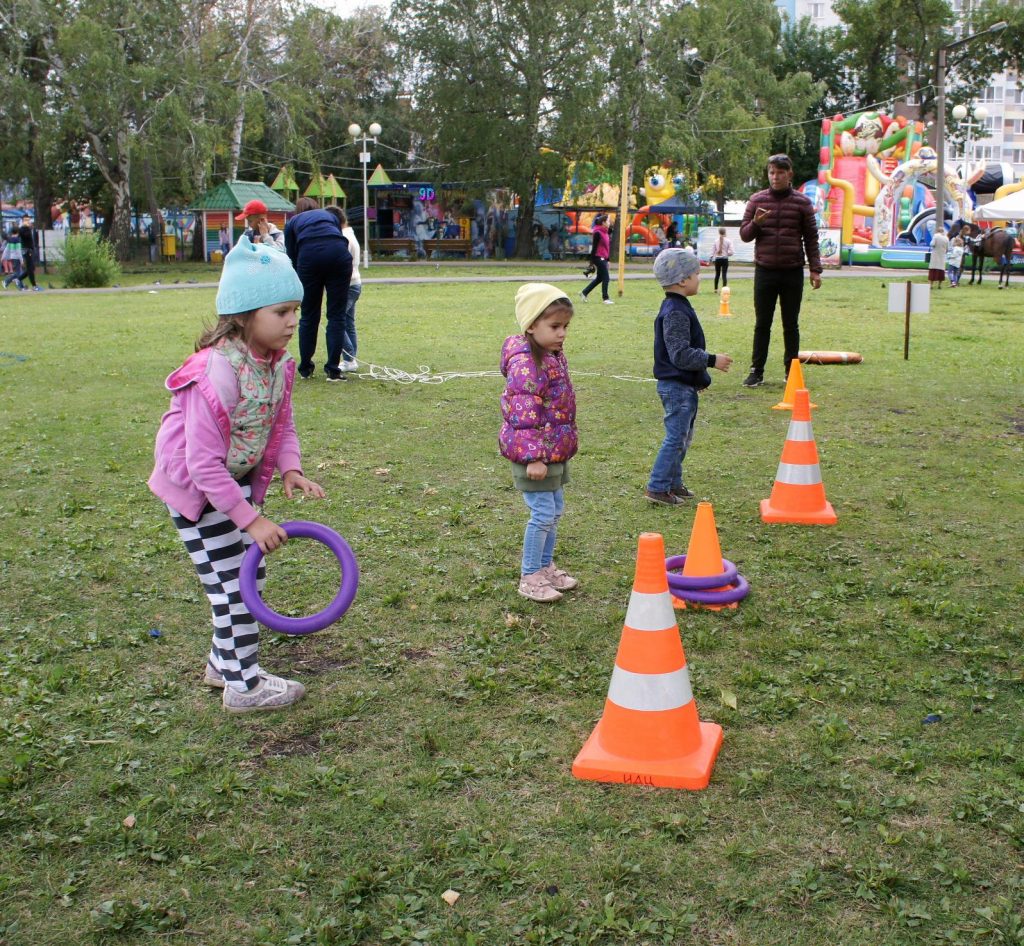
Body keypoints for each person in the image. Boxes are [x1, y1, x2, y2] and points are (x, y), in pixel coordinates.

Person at [147, 237, 326, 713]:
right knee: (236, 589)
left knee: (247, 578)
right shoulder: (216, 373)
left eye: (298, 310)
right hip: (196, 491)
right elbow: (202, 464)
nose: (295, 321)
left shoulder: (276, 365)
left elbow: (280, 422)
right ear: (245, 314)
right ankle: (244, 687)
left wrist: (290, 468)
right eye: (283, 311)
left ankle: (223, 663)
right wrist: (251, 520)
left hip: (230, 483)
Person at [499, 284, 579, 603]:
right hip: (535, 455)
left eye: (565, 327)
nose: (562, 334)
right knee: (543, 513)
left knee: (555, 510)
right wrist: (533, 457)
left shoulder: (553, 355)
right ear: (531, 325)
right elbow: (524, 413)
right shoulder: (525, 363)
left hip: (553, 449)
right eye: (555, 326)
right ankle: (530, 575)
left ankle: (545, 567)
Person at [644, 250, 732, 506]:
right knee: (675, 438)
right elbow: (680, 355)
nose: (699, 279)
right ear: (682, 280)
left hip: (683, 386)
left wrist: (698, 379)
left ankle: (673, 483)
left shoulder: (678, 307)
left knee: (682, 437)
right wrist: (712, 360)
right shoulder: (675, 311)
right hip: (676, 388)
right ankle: (657, 487)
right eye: (696, 274)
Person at [739, 154, 822, 387]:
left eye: (780, 173)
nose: (775, 177)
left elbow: (811, 239)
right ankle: (756, 371)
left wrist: (816, 270)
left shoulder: (802, 203)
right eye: (771, 172)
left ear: (790, 174)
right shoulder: (756, 200)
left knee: (790, 324)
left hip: (792, 272)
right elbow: (744, 236)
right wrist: (756, 223)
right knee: (762, 323)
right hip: (764, 271)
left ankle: (791, 372)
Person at [284, 196, 353, 381]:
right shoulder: (329, 215)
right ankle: (333, 369)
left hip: (309, 259)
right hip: (339, 257)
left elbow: (291, 255)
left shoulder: (292, 222)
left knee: (309, 315)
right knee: (336, 315)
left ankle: (306, 367)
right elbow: (338, 237)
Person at [325, 206, 361, 372]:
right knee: (348, 323)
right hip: (354, 283)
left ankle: (349, 357)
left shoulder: (343, 238)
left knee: (336, 321)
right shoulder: (349, 234)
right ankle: (350, 359)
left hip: (347, 285)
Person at [580, 213, 612, 304]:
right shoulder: (597, 232)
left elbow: (607, 248)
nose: (609, 223)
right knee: (606, 278)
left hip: (604, 258)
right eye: (608, 221)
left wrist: (608, 260)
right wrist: (592, 262)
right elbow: (594, 247)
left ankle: (584, 292)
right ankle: (605, 298)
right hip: (598, 257)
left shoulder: (606, 232)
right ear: (603, 223)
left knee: (600, 278)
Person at [17, 214, 40, 290]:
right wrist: (28, 227)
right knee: (30, 268)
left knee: (31, 268)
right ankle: (34, 285)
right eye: (26, 220)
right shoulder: (22, 229)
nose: (28, 221)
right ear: (23, 221)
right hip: (26, 250)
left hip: (31, 249)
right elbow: (24, 235)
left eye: (28, 220)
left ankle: (18, 279)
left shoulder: (28, 228)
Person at [710, 226, 734, 292]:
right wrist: (727, 253)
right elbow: (731, 252)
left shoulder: (716, 241)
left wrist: (711, 257)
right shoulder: (728, 241)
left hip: (717, 259)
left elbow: (712, 250)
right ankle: (724, 290)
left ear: (719, 232)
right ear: (725, 232)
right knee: (724, 274)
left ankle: (715, 289)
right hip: (725, 259)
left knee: (717, 274)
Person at [928, 225, 949, 290]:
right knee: (941, 270)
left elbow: (932, 244)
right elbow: (947, 248)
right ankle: (939, 285)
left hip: (935, 255)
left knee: (933, 270)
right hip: (942, 255)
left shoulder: (936, 236)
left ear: (937, 231)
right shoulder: (946, 238)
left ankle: (931, 285)